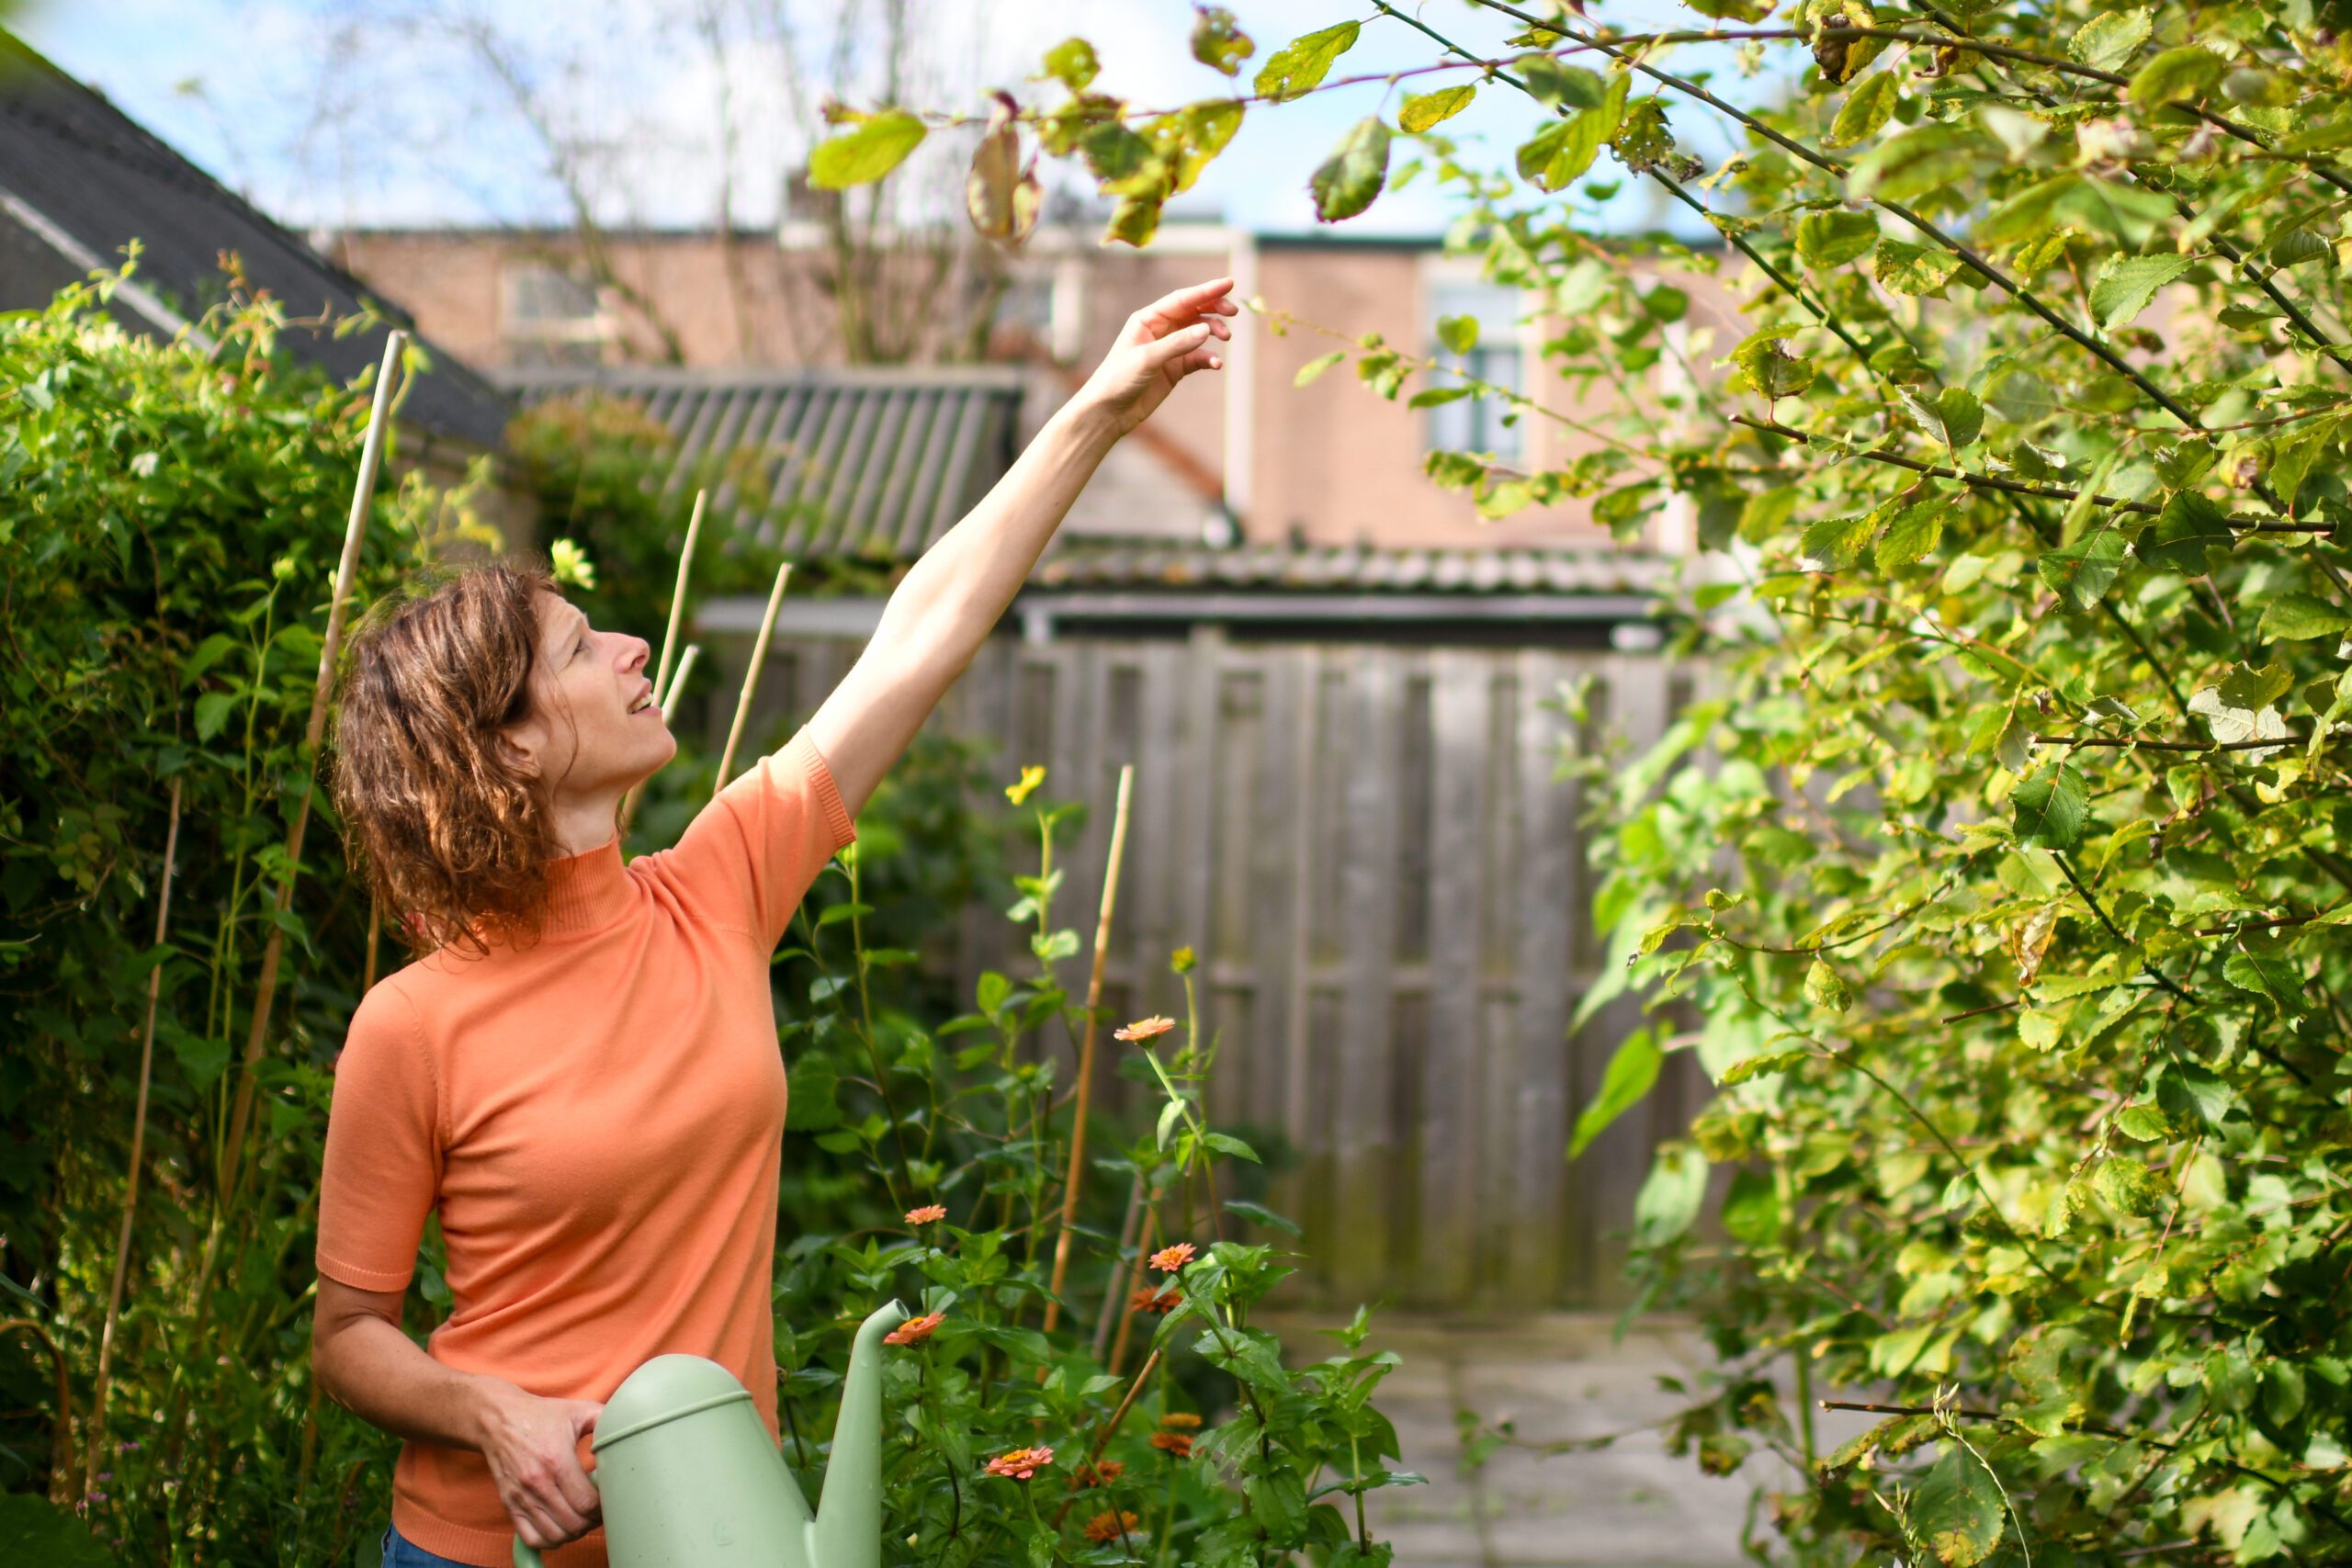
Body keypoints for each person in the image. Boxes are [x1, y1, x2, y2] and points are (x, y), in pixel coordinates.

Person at [311, 278, 1237, 1568]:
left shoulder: (719, 888)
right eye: (583, 651)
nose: (634, 648)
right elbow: (349, 1329)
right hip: (481, 1551)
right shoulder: (411, 1025)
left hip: (717, 1543)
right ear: (509, 749)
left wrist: (1099, 407)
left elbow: (921, 634)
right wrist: (491, 1412)